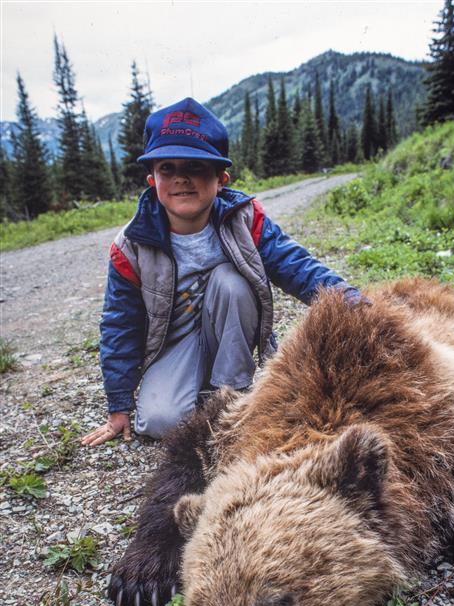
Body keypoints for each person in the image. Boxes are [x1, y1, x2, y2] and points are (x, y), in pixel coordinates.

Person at [82, 97, 364, 447]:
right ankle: (196, 389)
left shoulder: (245, 218)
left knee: (231, 283)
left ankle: (229, 392)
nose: (181, 178)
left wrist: (359, 305)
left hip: (228, 329)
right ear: (152, 180)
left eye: (196, 167)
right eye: (167, 168)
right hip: (172, 345)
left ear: (221, 179)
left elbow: (297, 267)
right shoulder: (130, 246)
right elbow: (119, 325)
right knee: (159, 422)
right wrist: (120, 405)